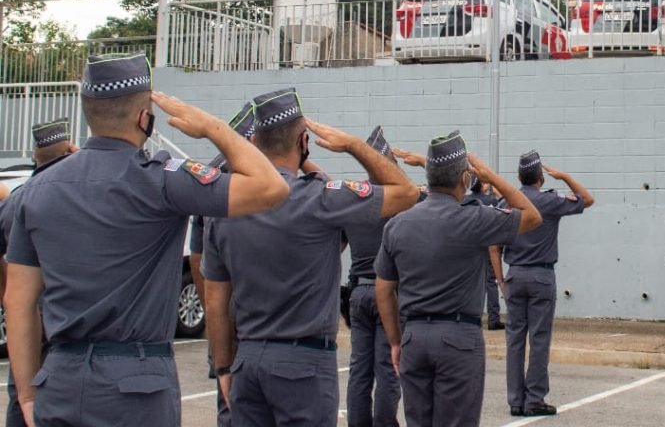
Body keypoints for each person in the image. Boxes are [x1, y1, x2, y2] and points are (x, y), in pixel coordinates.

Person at [4, 51, 289, 427]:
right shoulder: (161, 179)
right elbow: (272, 188)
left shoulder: (36, 191)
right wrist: (212, 128)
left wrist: (25, 392)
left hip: (61, 378)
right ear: (145, 118)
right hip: (137, 384)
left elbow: (18, 300)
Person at [202, 90, 420, 426]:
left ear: (254, 142)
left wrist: (223, 367)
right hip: (302, 363)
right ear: (304, 142)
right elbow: (405, 193)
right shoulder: (318, 200)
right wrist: (353, 145)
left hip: (247, 359)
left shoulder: (226, 208)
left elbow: (216, 299)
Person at [375, 133, 541, 427]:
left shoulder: (398, 224)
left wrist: (396, 341)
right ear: (466, 178)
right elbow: (531, 215)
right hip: (458, 337)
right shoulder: (473, 219)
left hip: (414, 336)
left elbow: (384, 290)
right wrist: (491, 176)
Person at [496, 151, 593, 417]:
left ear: (519, 177)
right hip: (541, 275)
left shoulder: (506, 201)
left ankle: (515, 400)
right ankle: (534, 399)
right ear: (540, 177)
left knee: (514, 340)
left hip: (514, 275)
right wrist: (564, 177)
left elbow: (493, 246)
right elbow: (588, 199)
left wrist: (501, 279)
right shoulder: (549, 201)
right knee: (539, 340)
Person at [0, 119, 77, 427]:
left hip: (28, 320)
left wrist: (9, 295)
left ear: (35, 156)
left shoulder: (17, 201)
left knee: (22, 395)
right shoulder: (80, 197)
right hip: (70, 324)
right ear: (71, 150)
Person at [188, 100, 257, 427]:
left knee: (228, 397)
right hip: (255, 318)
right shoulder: (258, 188)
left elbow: (197, 260)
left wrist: (214, 316)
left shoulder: (211, 187)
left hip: (227, 314)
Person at [343, 126, 405, 427]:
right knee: (389, 367)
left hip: (358, 292)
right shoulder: (402, 201)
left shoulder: (353, 200)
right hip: (389, 294)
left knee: (359, 370)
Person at [465, 178, 504, 330]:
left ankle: (471, 317)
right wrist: (495, 187)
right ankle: (493, 319)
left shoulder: (465, 200)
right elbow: (504, 202)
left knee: (469, 282)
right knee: (491, 281)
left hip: (469, 247)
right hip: (489, 245)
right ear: (481, 185)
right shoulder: (491, 200)